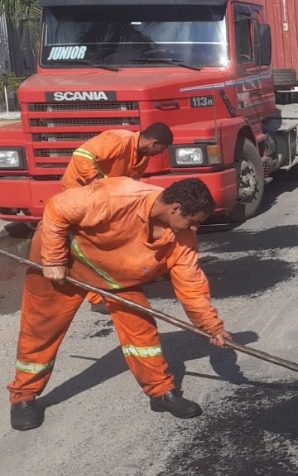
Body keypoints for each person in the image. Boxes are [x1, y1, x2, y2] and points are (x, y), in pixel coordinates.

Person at [8, 177, 232, 431]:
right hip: (63, 266)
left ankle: (161, 393)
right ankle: (23, 397)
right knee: (40, 332)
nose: (194, 229)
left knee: (142, 331)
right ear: (176, 208)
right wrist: (54, 259)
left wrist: (211, 327)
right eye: (192, 222)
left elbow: (192, 287)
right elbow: (58, 207)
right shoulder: (118, 197)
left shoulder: (182, 238)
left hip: (115, 277)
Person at [61, 123, 174, 311]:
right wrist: (99, 185)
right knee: (92, 243)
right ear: (154, 143)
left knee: (112, 240)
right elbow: (82, 155)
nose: (158, 155)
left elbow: (129, 184)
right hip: (81, 194)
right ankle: (96, 297)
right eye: (160, 150)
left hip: (105, 201)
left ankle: (115, 282)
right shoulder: (119, 140)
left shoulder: (141, 159)